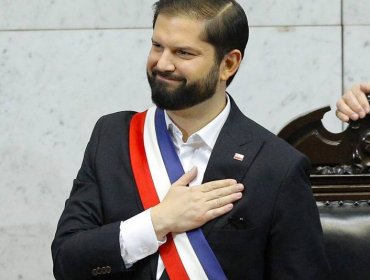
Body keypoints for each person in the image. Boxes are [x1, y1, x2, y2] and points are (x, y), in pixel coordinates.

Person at [51, 0, 330, 279]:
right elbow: (66, 260)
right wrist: (157, 222)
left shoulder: (277, 166)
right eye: (157, 46)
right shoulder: (112, 137)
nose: (162, 64)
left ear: (228, 64)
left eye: (183, 53)